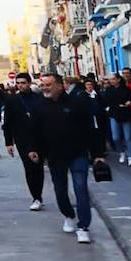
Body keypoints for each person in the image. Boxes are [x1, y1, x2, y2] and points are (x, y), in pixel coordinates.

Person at [30, 72, 102, 245]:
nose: (45, 88)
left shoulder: (77, 103)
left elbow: (90, 129)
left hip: (78, 154)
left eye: (48, 84)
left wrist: (98, 154)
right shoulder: (39, 107)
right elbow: (34, 131)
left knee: (81, 189)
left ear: (60, 85)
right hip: (55, 156)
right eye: (43, 85)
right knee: (60, 190)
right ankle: (68, 215)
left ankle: (83, 227)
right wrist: (33, 149)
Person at [2, 72, 46, 210]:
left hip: (39, 137)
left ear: (29, 83)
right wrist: (8, 142)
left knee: (38, 167)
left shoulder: (39, 98)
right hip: (22, 139)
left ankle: (38, 194)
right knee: (29, 167)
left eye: (23, 83)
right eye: (18, 83)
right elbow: (7, 123)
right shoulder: (12, 100)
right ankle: (36, 197)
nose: (20, 85)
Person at [101, 74, 131, 165]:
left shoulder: (125, 89)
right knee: (115, 137)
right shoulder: (109, 90)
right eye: (111, 79)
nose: (112, 81)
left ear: (118, 79)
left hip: (125, 114)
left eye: (113, 79)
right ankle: (121, 151)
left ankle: (130, 157)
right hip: (114, 115)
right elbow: (104, 101)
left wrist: (129, 102)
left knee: (128, 137)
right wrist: (107, 108)